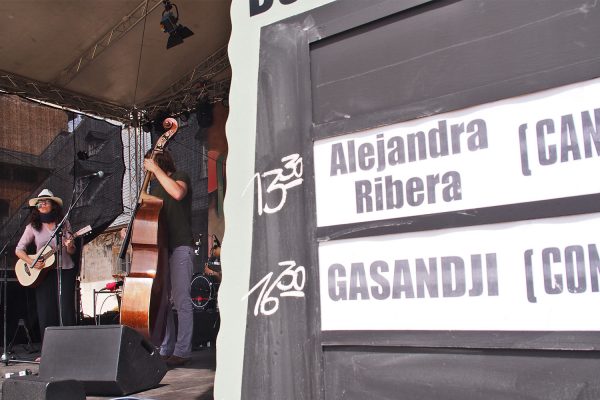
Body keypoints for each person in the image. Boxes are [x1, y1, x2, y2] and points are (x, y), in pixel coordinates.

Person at [143, 149, 194, 367]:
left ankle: (183, 351)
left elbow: (178, 194)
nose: (150, 174)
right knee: (163, 301)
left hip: (181, 245)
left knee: (182, 300)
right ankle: (166, 347)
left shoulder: (179, 176)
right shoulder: (155, 187)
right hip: (161, 249)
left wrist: (155, 169)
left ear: (158, 162)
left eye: (151, 168)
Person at [14, 189, 77, 356]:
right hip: (43, 273)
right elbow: (19, 250)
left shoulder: (63, 224)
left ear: (53, 206)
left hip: (65, 270)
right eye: (39, 203)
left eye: (46, 202)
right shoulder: (32, 227)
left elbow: (71, 250)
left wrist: (70, 245)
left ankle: (70, 351)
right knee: (46, 312)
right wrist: (32, 262)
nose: (41, 205)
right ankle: (48, 353)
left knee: (66, 311)